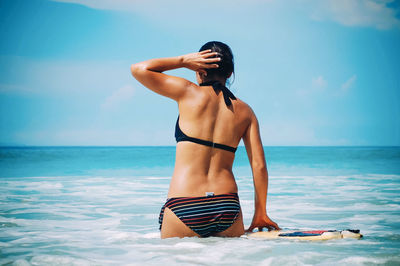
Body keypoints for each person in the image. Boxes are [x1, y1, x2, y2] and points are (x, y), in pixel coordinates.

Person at [131, 41, 279, 238]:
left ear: (198, 69)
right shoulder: (246, 112)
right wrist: (260, 213)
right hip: (227, 207)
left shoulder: (187, 91)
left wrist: (183, 60)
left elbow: (139, 69)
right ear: (230, 73)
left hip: (185, 203)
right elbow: (259, 166)